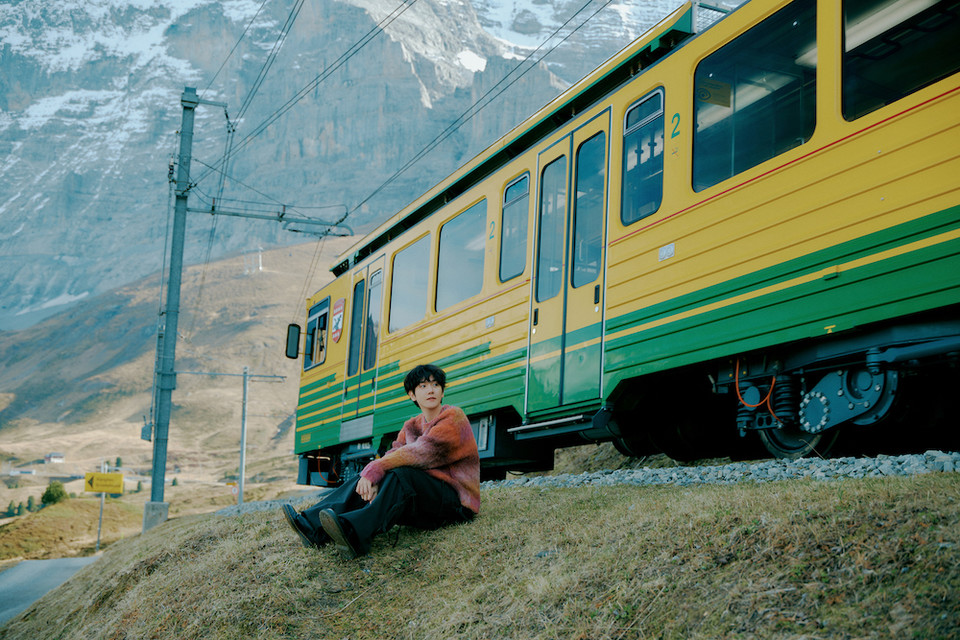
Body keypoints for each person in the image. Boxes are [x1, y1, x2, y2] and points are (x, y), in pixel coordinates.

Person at [281, 364, 480, 558]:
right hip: (424, 502)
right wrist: (374, 476)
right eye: (423, 386)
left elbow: (420, 452)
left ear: (443, 392)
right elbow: (394, 453)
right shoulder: (411, 425)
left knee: (399, 472)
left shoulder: (453, 417)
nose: (431, 390)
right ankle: (310, 526)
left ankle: (354, 533)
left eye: (436, 385)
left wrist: (377, 468)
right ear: (412, 394)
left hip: (456, 504)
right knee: (368, 476)